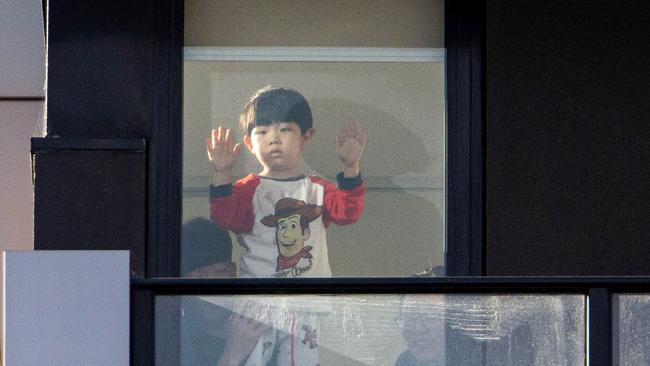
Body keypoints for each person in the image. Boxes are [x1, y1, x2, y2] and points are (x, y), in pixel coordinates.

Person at [205, 85, 367, 278]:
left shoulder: (317, 188)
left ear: (306, 137)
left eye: (284, 129)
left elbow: (348, 213)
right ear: (249, 143)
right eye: (263, 132)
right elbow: (224, 218)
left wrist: (351, 166)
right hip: (260, 302)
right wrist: (222, 173)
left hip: (311, 302)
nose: (274, 139)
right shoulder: (248, 189)